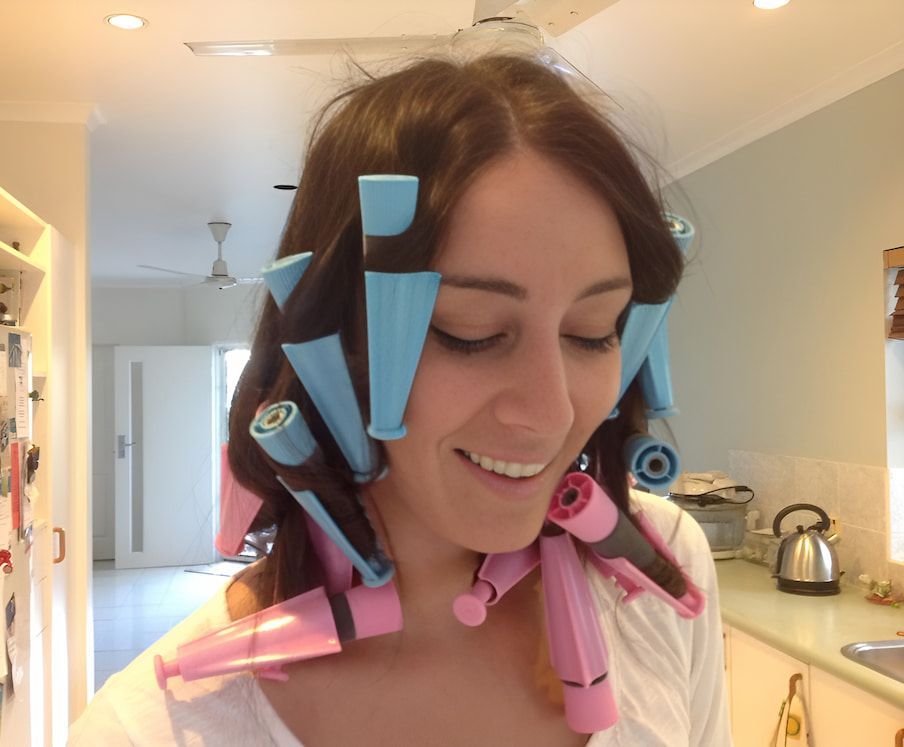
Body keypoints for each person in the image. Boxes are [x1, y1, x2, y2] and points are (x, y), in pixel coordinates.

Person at [70, 42, 730, 747]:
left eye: (594, 332)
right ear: (338, 337)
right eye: (472, 332)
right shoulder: (145, 731)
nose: (554, 412)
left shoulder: (665, 563)